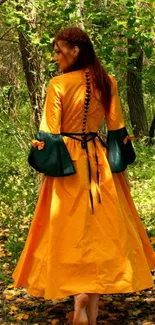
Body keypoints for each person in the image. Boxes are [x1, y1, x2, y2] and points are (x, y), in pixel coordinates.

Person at [13, 27, 155, 325]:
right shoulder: (109, 82)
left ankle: (77, 296)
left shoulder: (59, 85)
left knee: (68, 231)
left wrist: (44, 176)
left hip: (67, 165)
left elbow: (49, 134)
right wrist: (120, 172)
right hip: (99, 163)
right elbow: (116, 130)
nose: (55, 57)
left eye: (58, 51)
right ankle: (89, 302)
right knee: (99, 231)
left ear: (74, 51)